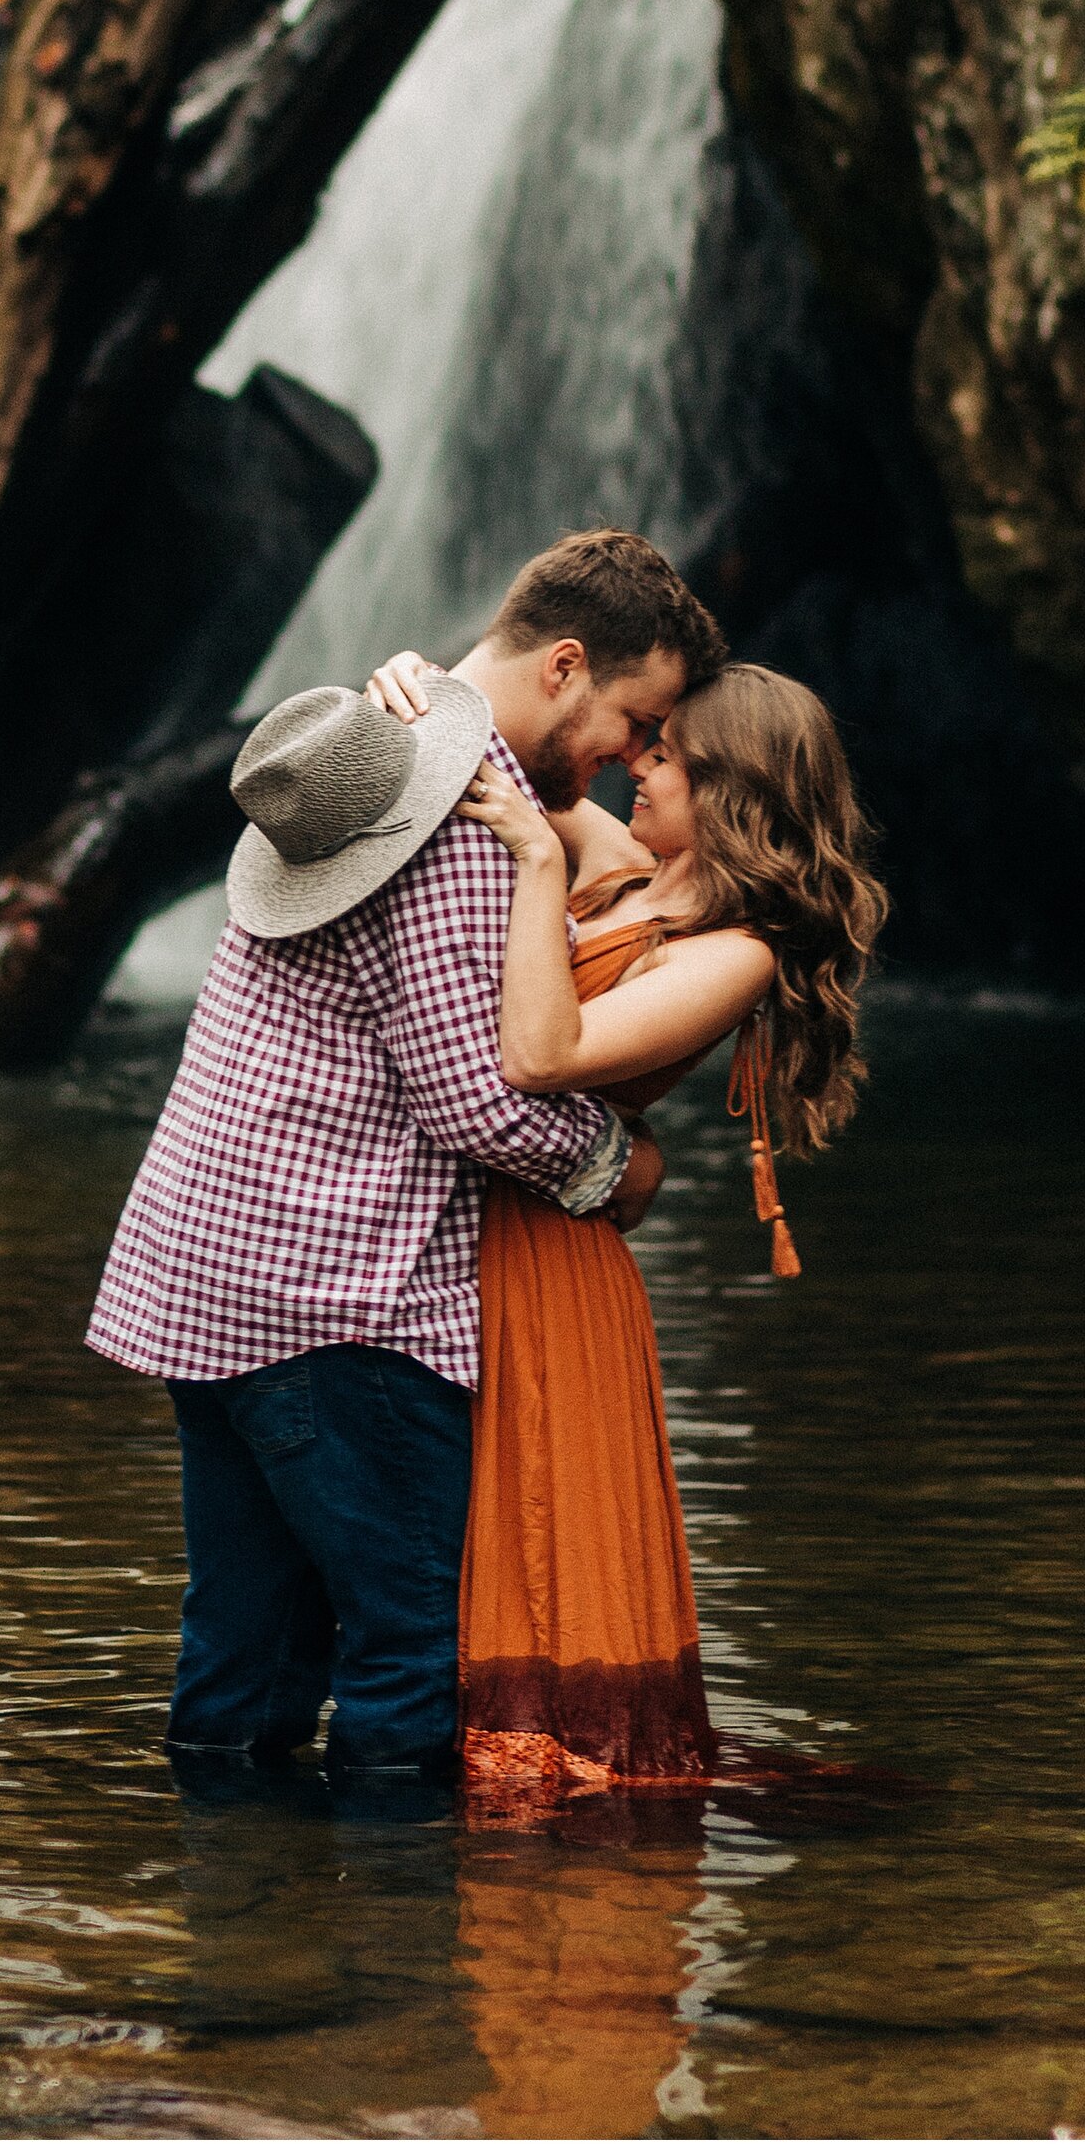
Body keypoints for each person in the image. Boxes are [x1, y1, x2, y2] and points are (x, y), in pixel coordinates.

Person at [85, 527, 727, 1791]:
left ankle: (243, 1954)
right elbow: (477, 1102)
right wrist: (619, 1166)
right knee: (411, 1655)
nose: (623, 761)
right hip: (342, 1300)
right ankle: (393, 1975)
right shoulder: (455, 822)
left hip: (209, 1272)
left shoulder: (392, 738)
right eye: (631, 720)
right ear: (563, 664)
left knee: (244, 1652)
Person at [367, 649, 887, 1808]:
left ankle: (561, 1845)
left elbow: (542, 1056)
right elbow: (505, 747)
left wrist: (540, 861)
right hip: (484, 1223)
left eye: (668, 755)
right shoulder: (629, 862)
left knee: (549, 1526)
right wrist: (419, 672)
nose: (636, 762)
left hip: (556, 1264)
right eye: (645, 742)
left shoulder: (733, 952)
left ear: (734, 790)